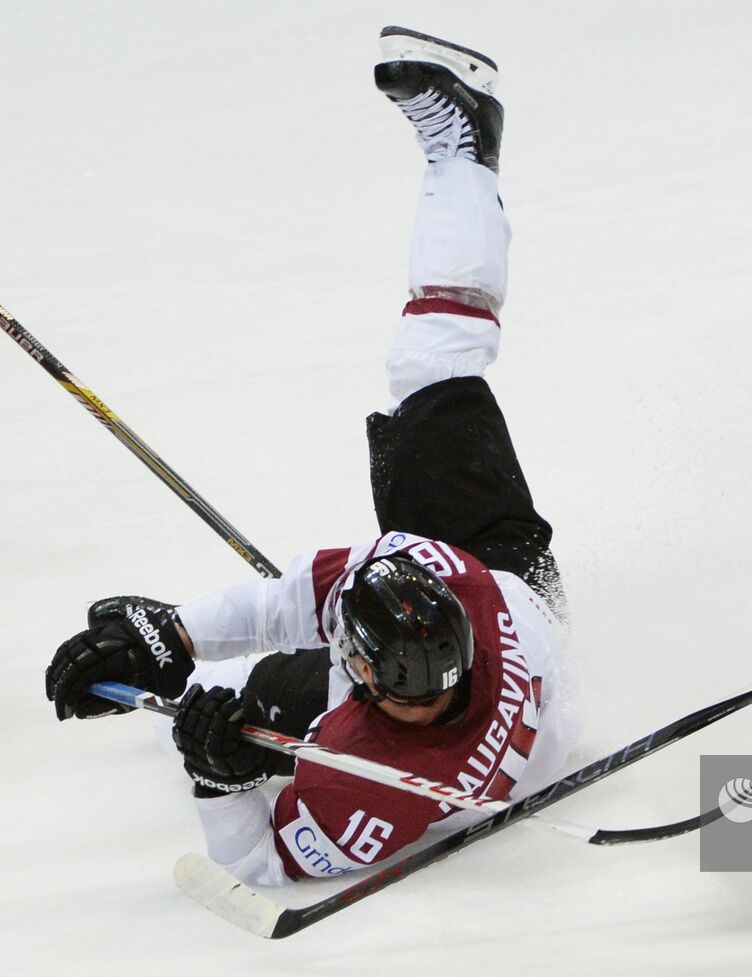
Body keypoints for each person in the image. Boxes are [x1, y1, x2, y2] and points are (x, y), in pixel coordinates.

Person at [43, 27, 581, 885]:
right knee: (430, 368)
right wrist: (175, 630)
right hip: (519, 585)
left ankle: (164, 695)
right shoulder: (438, 569)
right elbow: (289, 599)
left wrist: (216, 775)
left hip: (465, 689)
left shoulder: (381, 780)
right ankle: (465, 154)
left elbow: (262, 870)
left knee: (233, 706)